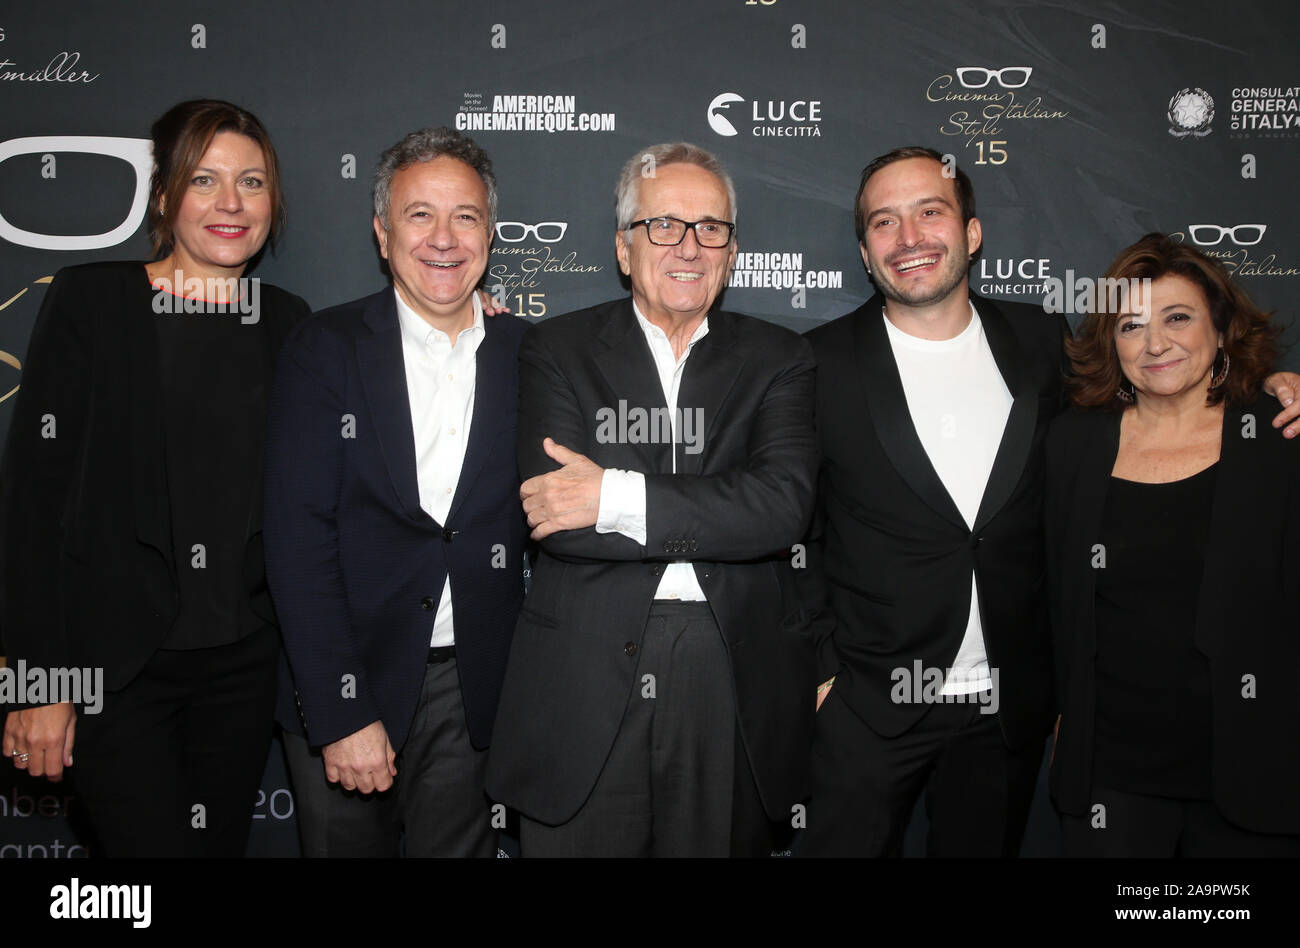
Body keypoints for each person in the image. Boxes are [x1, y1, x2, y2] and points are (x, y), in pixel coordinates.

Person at [798, 147, 1300, 857]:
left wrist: (1275, 384)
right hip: (867, 706)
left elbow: (1159, 389)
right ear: (864, 249)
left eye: (930, 212)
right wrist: (822, 673)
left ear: (972, 234)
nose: (909, 238)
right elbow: (790, 524)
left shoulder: (1039, 342)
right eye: (885, 222)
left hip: (1007, 713)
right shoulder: (812, 362)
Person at [485, 142, 819, 857]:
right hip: (582, 672)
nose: (689, 247)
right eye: (664, 225)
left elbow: (780, 509)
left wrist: (611, 493)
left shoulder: (781, 359)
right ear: (622, 246)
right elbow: (555, 517)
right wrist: (712, 507)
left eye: (711, 228)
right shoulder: (556, 349)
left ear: (732, 250)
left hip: (728, 669)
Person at [0, 99, 309, 856]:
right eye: (204, 180)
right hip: (112, 671)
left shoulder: (287, 322)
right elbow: (32, 503)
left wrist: (469, 323)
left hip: (240, 668)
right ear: (164, 197)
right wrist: (37, 682)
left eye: (252, 182)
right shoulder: (94, 303)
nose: (231, 203)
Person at [263, 127, 529, 857]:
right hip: (348, 675)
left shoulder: (529, 353)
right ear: (383, 234)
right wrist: (341, 710)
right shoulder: (325, 349)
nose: (444, 239)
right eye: (419, 215)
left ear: (491, 233)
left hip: (471, 689)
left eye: (466, 217)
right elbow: (296, 541)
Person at [1046, 233, 1300, 857]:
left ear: (1221, 329)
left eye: (1177, 318)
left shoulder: (1277, 438)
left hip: (1254, 773)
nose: (1155, 343)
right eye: (1131, 326)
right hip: (1111, 778)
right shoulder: (1072, 445)